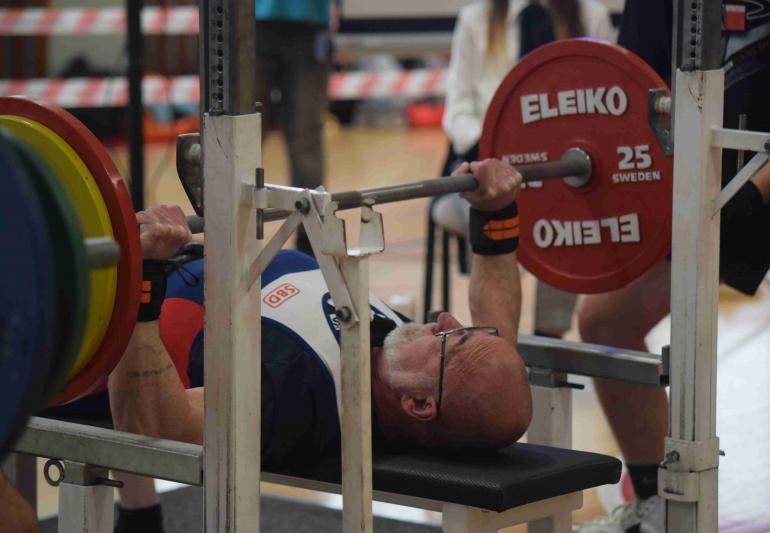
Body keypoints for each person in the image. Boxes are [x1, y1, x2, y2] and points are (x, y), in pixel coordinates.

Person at [27, 158, 530, 533]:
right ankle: (141, 516)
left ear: (419, 404)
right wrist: (497, 215)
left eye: (451, 338)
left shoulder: (299, 392)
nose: (444, 319)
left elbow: (157, 427)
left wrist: (142, 276)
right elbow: (497, 340)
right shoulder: (432, 369)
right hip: (161, 261)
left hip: (75, 318)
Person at [574, 1, 770, 531]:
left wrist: (752, 192)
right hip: (713, 176)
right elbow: (635, 98)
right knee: (606, 321)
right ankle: (658, 504)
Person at [437, 0, 614, 338]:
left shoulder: (592, 16)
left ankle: (551, 337)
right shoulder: (476, 18)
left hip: (559, 175)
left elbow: (606, 102)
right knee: (499, 208)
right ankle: (497, 341)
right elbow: (457, 111)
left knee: (568, 211)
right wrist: (496, 154)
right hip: (483, 168)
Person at [255, 0, 338, 255]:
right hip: (249, 21)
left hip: (309, 23)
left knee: (306, 135)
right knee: (243, 131)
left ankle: (311, 244)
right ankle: (231, 233)